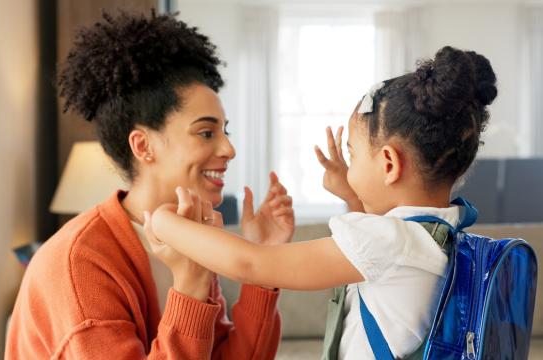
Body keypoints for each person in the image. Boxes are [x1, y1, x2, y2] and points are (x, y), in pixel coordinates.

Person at [144, 46, 498, 359]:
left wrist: (164, 221)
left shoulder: (388, 243)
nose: (349, 166)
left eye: (354, 154)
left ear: (389, 164)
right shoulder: (441, 234)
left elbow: (248, 264)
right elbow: (383, 260)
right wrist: (351, 193)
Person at [5, 11, 294, 359]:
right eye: (206, 132)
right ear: (143, 146)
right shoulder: (80, 263)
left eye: (225, 131)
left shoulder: (188, 234)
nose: (229, 149)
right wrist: (189, 287)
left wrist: (262, 262)